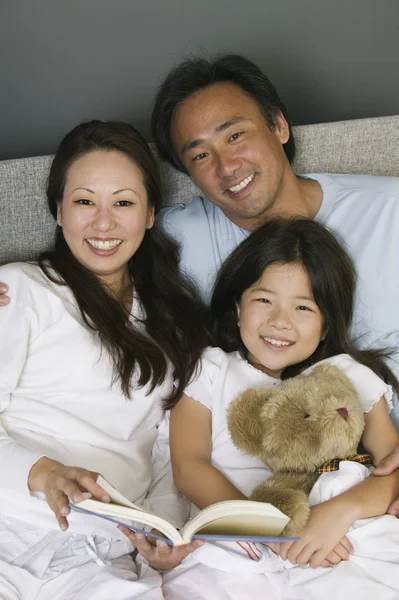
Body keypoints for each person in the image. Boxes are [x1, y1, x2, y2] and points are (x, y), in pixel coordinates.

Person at [1, 55, 399, 484]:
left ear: (279, 127)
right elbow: (99, 247)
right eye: (200, 155)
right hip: (279, 476)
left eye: (235, 135)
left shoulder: (390, 211)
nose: (226, 167)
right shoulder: (174, 237)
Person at [0, 120, 210, 600]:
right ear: (58, 210)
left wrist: (164, 532)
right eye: (83, 201)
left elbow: (162, 450)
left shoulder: (173, 324)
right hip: (10, 526)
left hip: (102, 557)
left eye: (123, 202)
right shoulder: (20, 291)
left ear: (150, 213)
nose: (103, 223)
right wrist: (43, 472)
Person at [159, 218, 399, 600]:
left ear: (325, 326)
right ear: (238, 307)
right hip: (240, 535)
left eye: (303, 307)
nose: (279, 321)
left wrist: (340, 513)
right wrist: (273, 530)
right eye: (264, 300)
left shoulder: (346, 376)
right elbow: (190, 467)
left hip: (336, 533)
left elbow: (392, 468)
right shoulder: (210, 370)